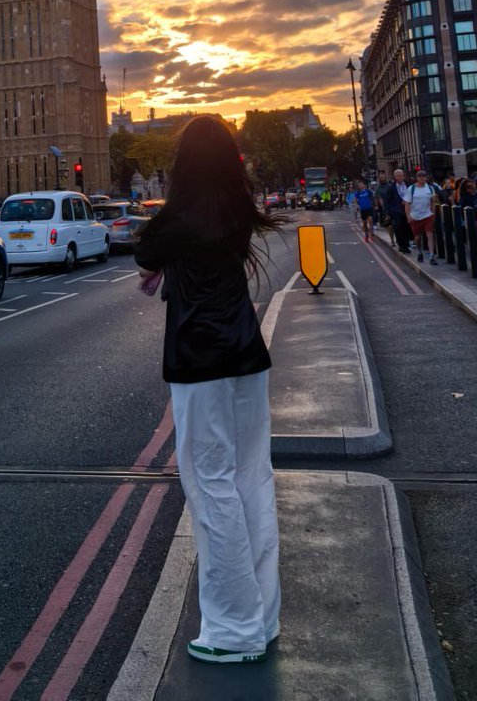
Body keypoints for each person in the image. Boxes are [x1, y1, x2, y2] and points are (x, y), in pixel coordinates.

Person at [134, 115, 283, 665]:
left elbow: (145, 255)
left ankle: (230, 628)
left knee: (209, 484)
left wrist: (163, 269)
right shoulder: (237, 210)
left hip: (200, 357)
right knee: (252, 477)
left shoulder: (175, 216)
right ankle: (262, 617)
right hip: (246, 351)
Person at [404, 170, 439, 264]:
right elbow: (407, 204)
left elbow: (433, 201)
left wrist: (433, 213)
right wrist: (408, 216)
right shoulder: (411, 189)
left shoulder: (430, 188)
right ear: (417, 178)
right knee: (417, 238)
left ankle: (432, 256)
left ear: (426, 178)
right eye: (420, 177)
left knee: (430, 234)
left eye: (424, 177)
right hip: (415, 216)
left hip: (427, 215)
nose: (422, 179)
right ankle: (419, 251)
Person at [385, 168, 412, 253]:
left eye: (402, 175)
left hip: (407, 210)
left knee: (406, 228)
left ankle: (406, 245)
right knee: (398, 228)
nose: (401, 177)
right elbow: (387, 201)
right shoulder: (391, 188)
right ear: (395, 177)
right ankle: (402, 246)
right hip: (396, 211)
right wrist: (388, 213)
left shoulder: (408, 185)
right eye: (399, 176)